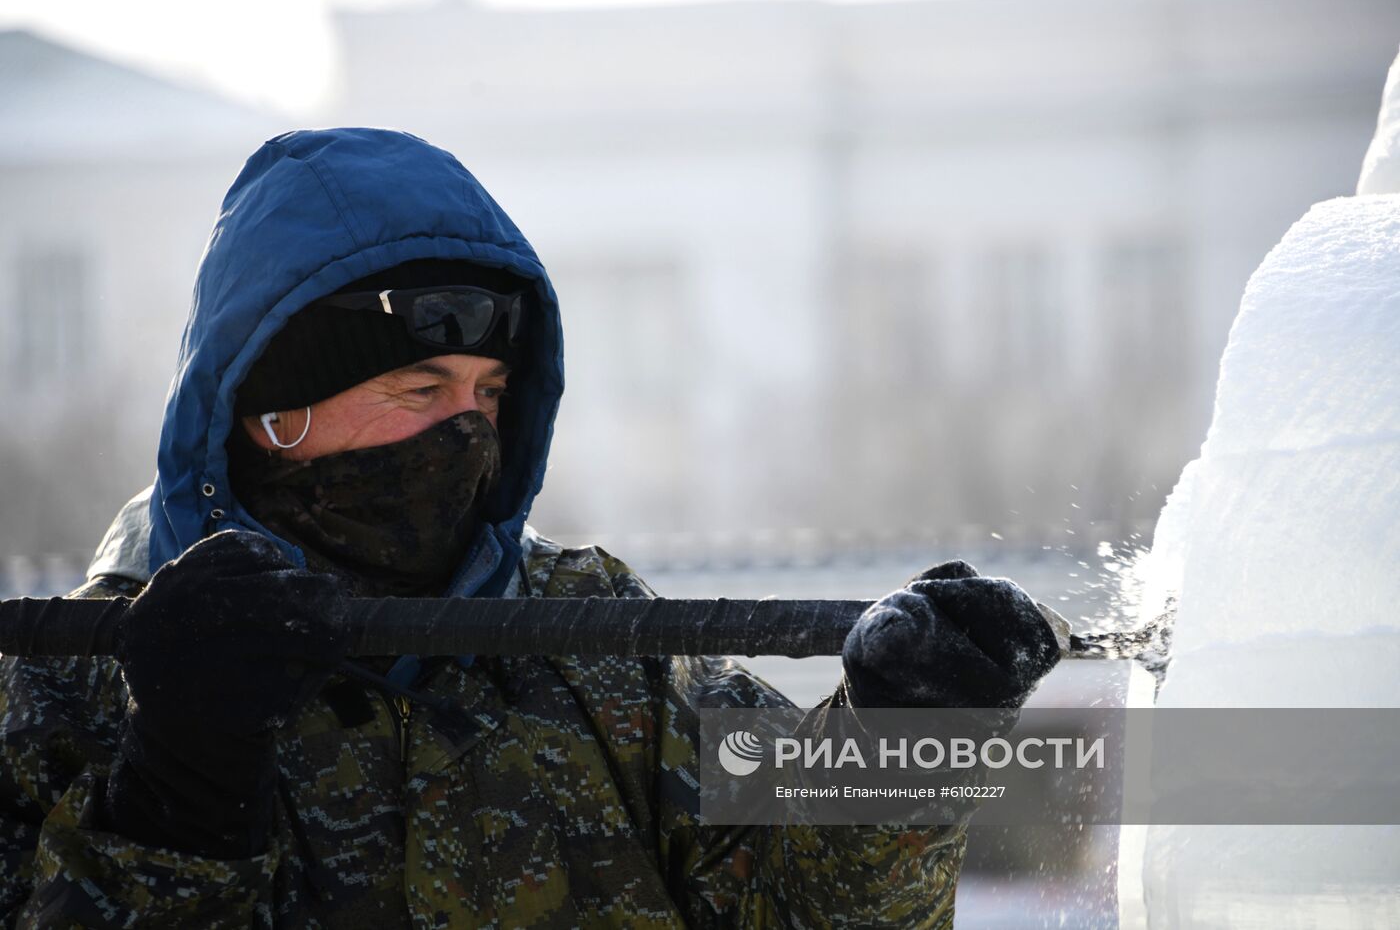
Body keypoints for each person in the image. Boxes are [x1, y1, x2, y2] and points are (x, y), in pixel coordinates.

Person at [0, 128, 1060, 927]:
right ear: (268, 414)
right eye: (419, 388)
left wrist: (898, 740)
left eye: (490, 390)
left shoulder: (595, 643)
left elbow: (798, 904)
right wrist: (176, 783)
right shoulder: (75, 674)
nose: (465, 429)